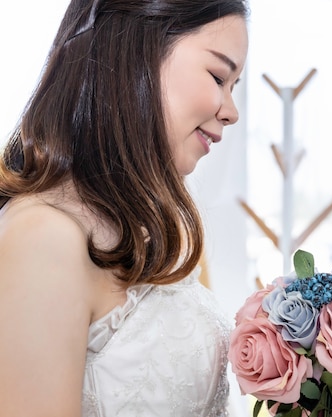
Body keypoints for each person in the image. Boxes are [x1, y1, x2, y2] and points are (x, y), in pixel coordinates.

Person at [0, 0, 249, 416]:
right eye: (219, 76)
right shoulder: (46, 236)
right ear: (139, 53)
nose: (231, 112)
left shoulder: (146, 231)